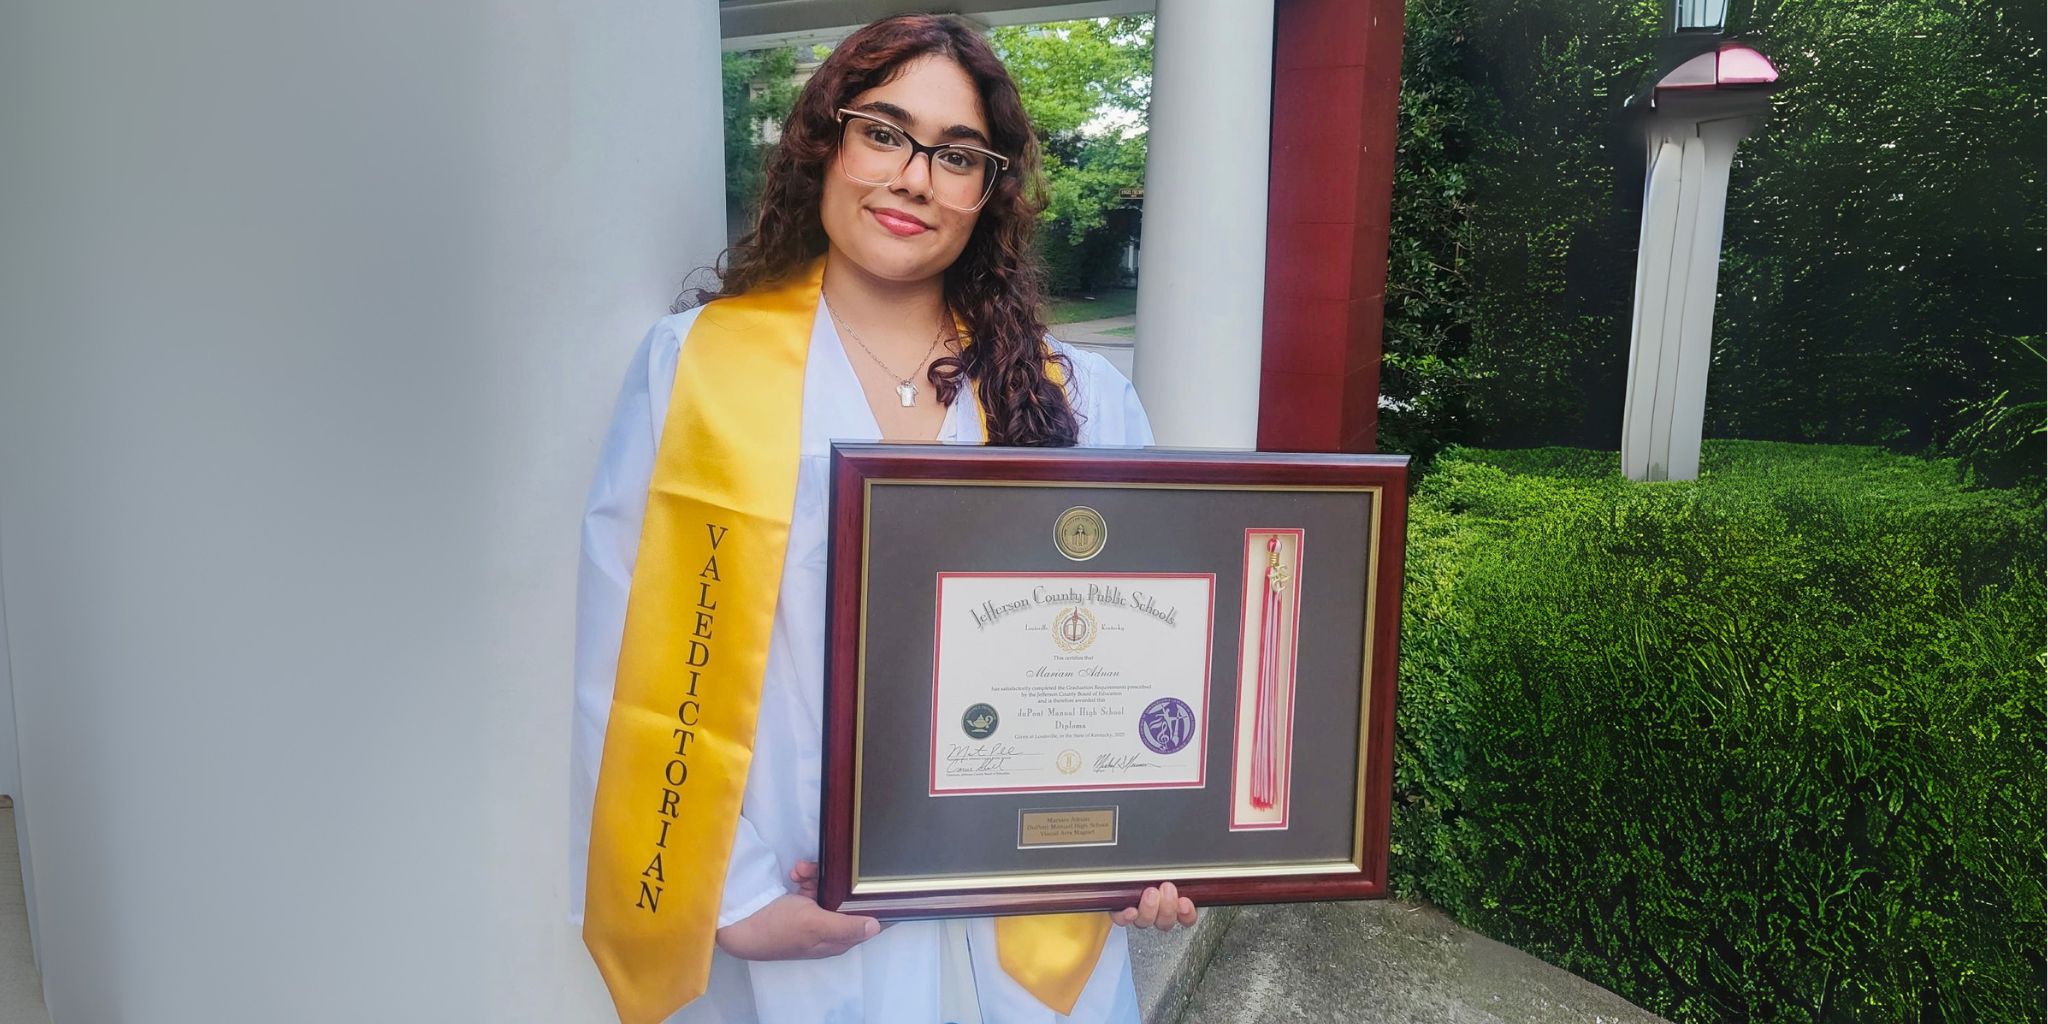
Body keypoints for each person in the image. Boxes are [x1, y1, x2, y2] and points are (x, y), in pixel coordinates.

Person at [570, 14, 1197, 1024]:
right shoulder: (696, 370)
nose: (912, 178)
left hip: (1022, 904)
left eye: (956, 155)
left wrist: (1154, 841)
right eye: (883, 133)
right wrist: (730, 895)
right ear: (824, 144)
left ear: (988, 191)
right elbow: (630, 652)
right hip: (793, 905)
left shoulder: (1079, 397)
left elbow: (1141, 652)